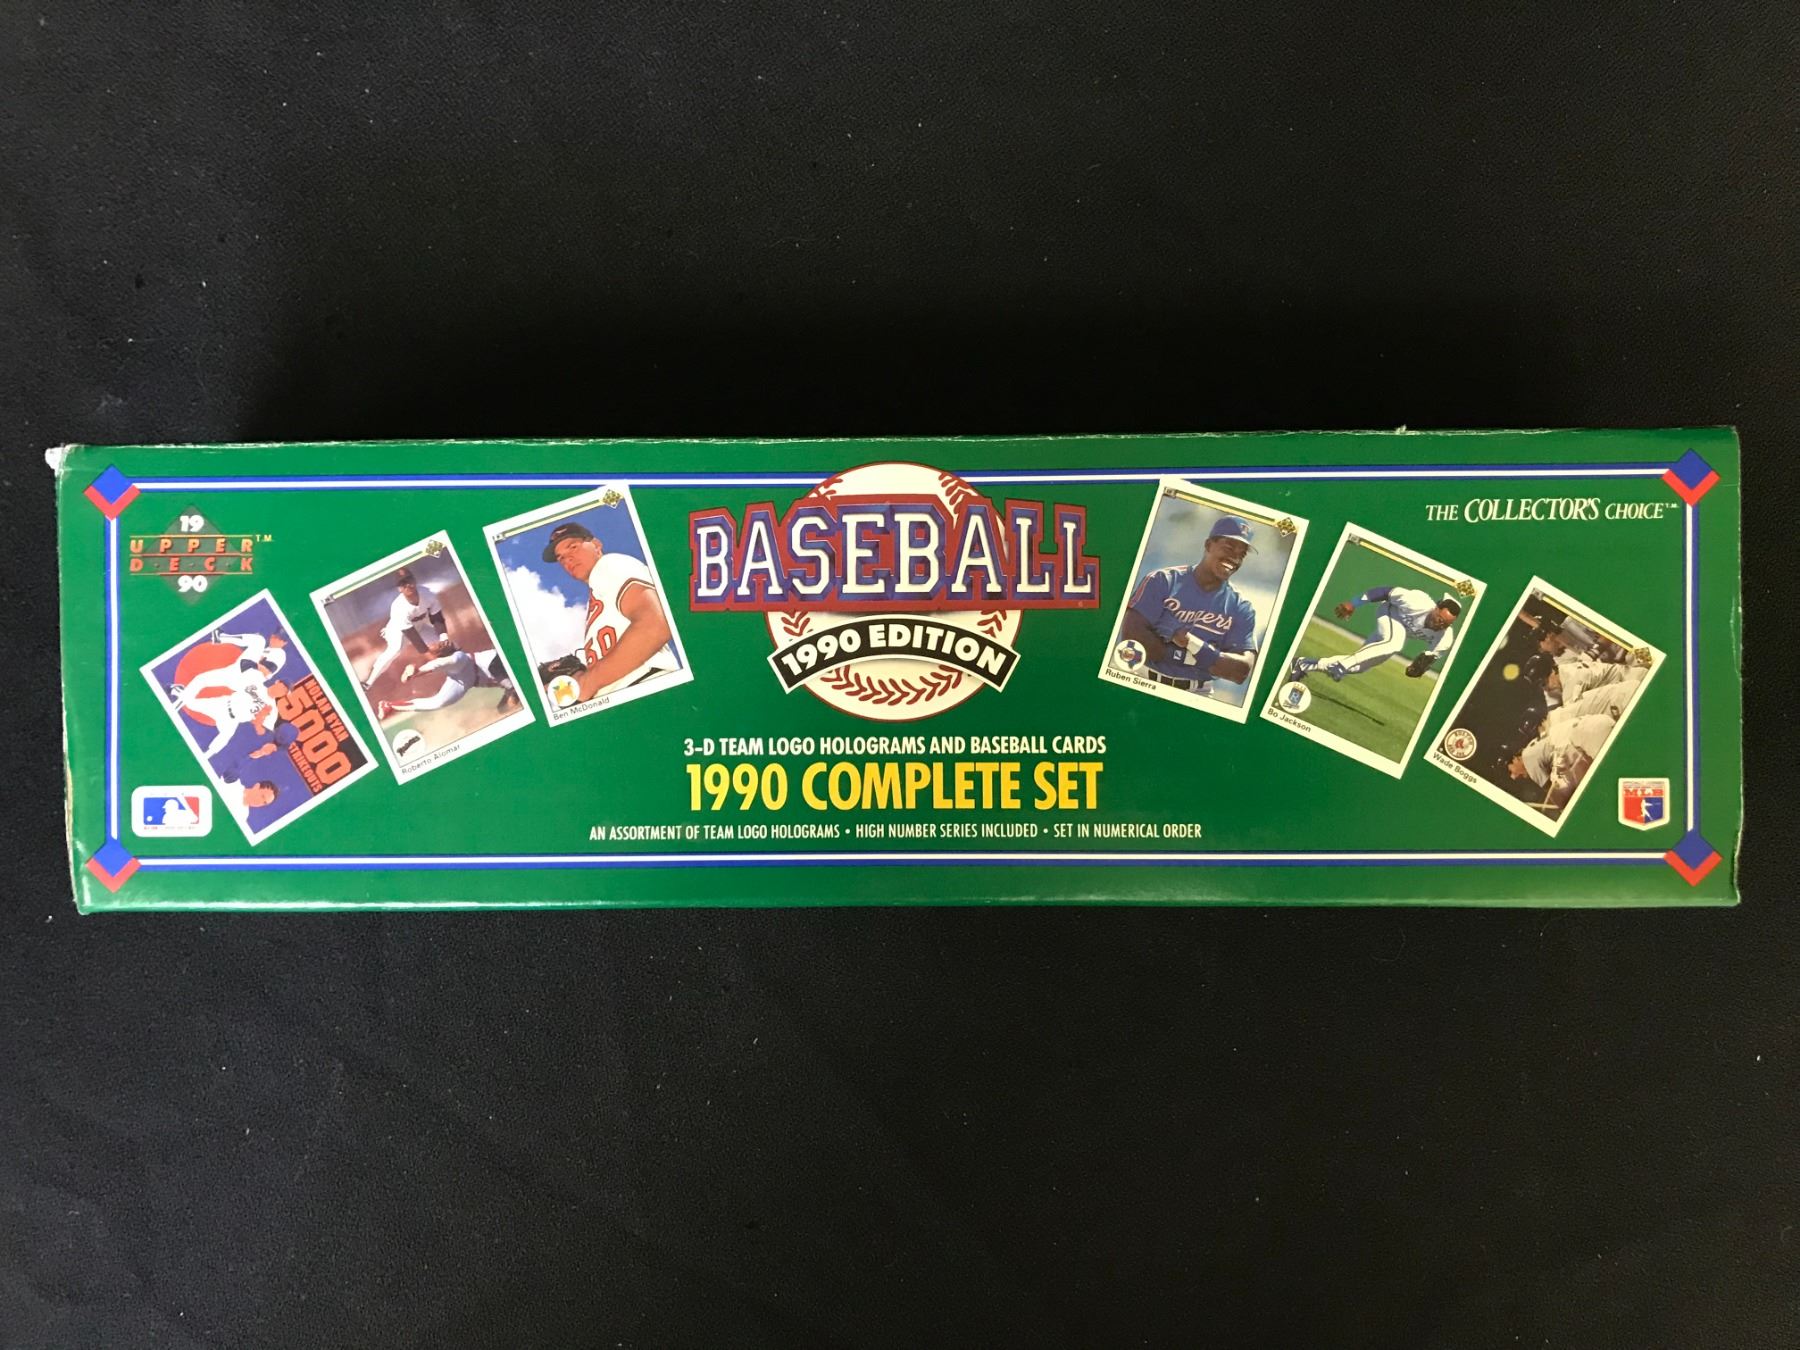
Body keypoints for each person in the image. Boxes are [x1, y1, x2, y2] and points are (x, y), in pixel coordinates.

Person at [1117, 515, 1259, 695]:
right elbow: (1132, 638)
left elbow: (1241, 671)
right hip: (1144, 679)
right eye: (1229, 547)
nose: (1235, 558)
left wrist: (1192, 644)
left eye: (1241, 554)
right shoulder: (1163, 581)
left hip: (1197, 692)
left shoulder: (1241, 607)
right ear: (1208, 545)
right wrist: (1206, 659)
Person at [542, 521, 679, 701]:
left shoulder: (609, 564)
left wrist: (587, 682)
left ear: (596, 545)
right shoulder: (597, 599)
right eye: (561, 558)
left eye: (573, 547)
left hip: (648, 685)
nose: (567, 559)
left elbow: (656, 624)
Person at [1290, 586, 1461, 683]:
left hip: (1397, 631)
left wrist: (1419, 669)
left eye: (1446, 624)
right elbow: (1385, 592)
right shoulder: (1417, 601)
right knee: (1395, 642)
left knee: (1359, 667)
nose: (1441, 624)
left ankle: (1303, 664)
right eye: (1440, 619)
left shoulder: (1445, 637)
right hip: (1390, 613)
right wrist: (1354, 603)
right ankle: (1342, 664)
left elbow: (1429, 658)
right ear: (1436, 608)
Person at [378, 643, 521, 718]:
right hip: (466, 668)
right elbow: (440, 663)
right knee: (438, 700)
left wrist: (416, 671)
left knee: (503, 709)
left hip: (473, 673)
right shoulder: (458, 658)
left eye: (440, 644)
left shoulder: (456, 656)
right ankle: (390, 706)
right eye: (438, 646)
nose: (440, 644)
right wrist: (417, 671)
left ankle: (391, 705)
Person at [361, 566, 448, 688]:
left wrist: (444, 637)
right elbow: (413, 637)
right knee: (395, 650)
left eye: (409, 580)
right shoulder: (398, 607)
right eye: (402, 583)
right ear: (399, 589)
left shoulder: (428, 594)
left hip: (419, 627)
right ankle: (368, 683)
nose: (407, 585)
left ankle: (463, 663)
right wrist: (430, 656)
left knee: (445, 645)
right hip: (397, 631)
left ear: (414, 580)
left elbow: (437, 618)